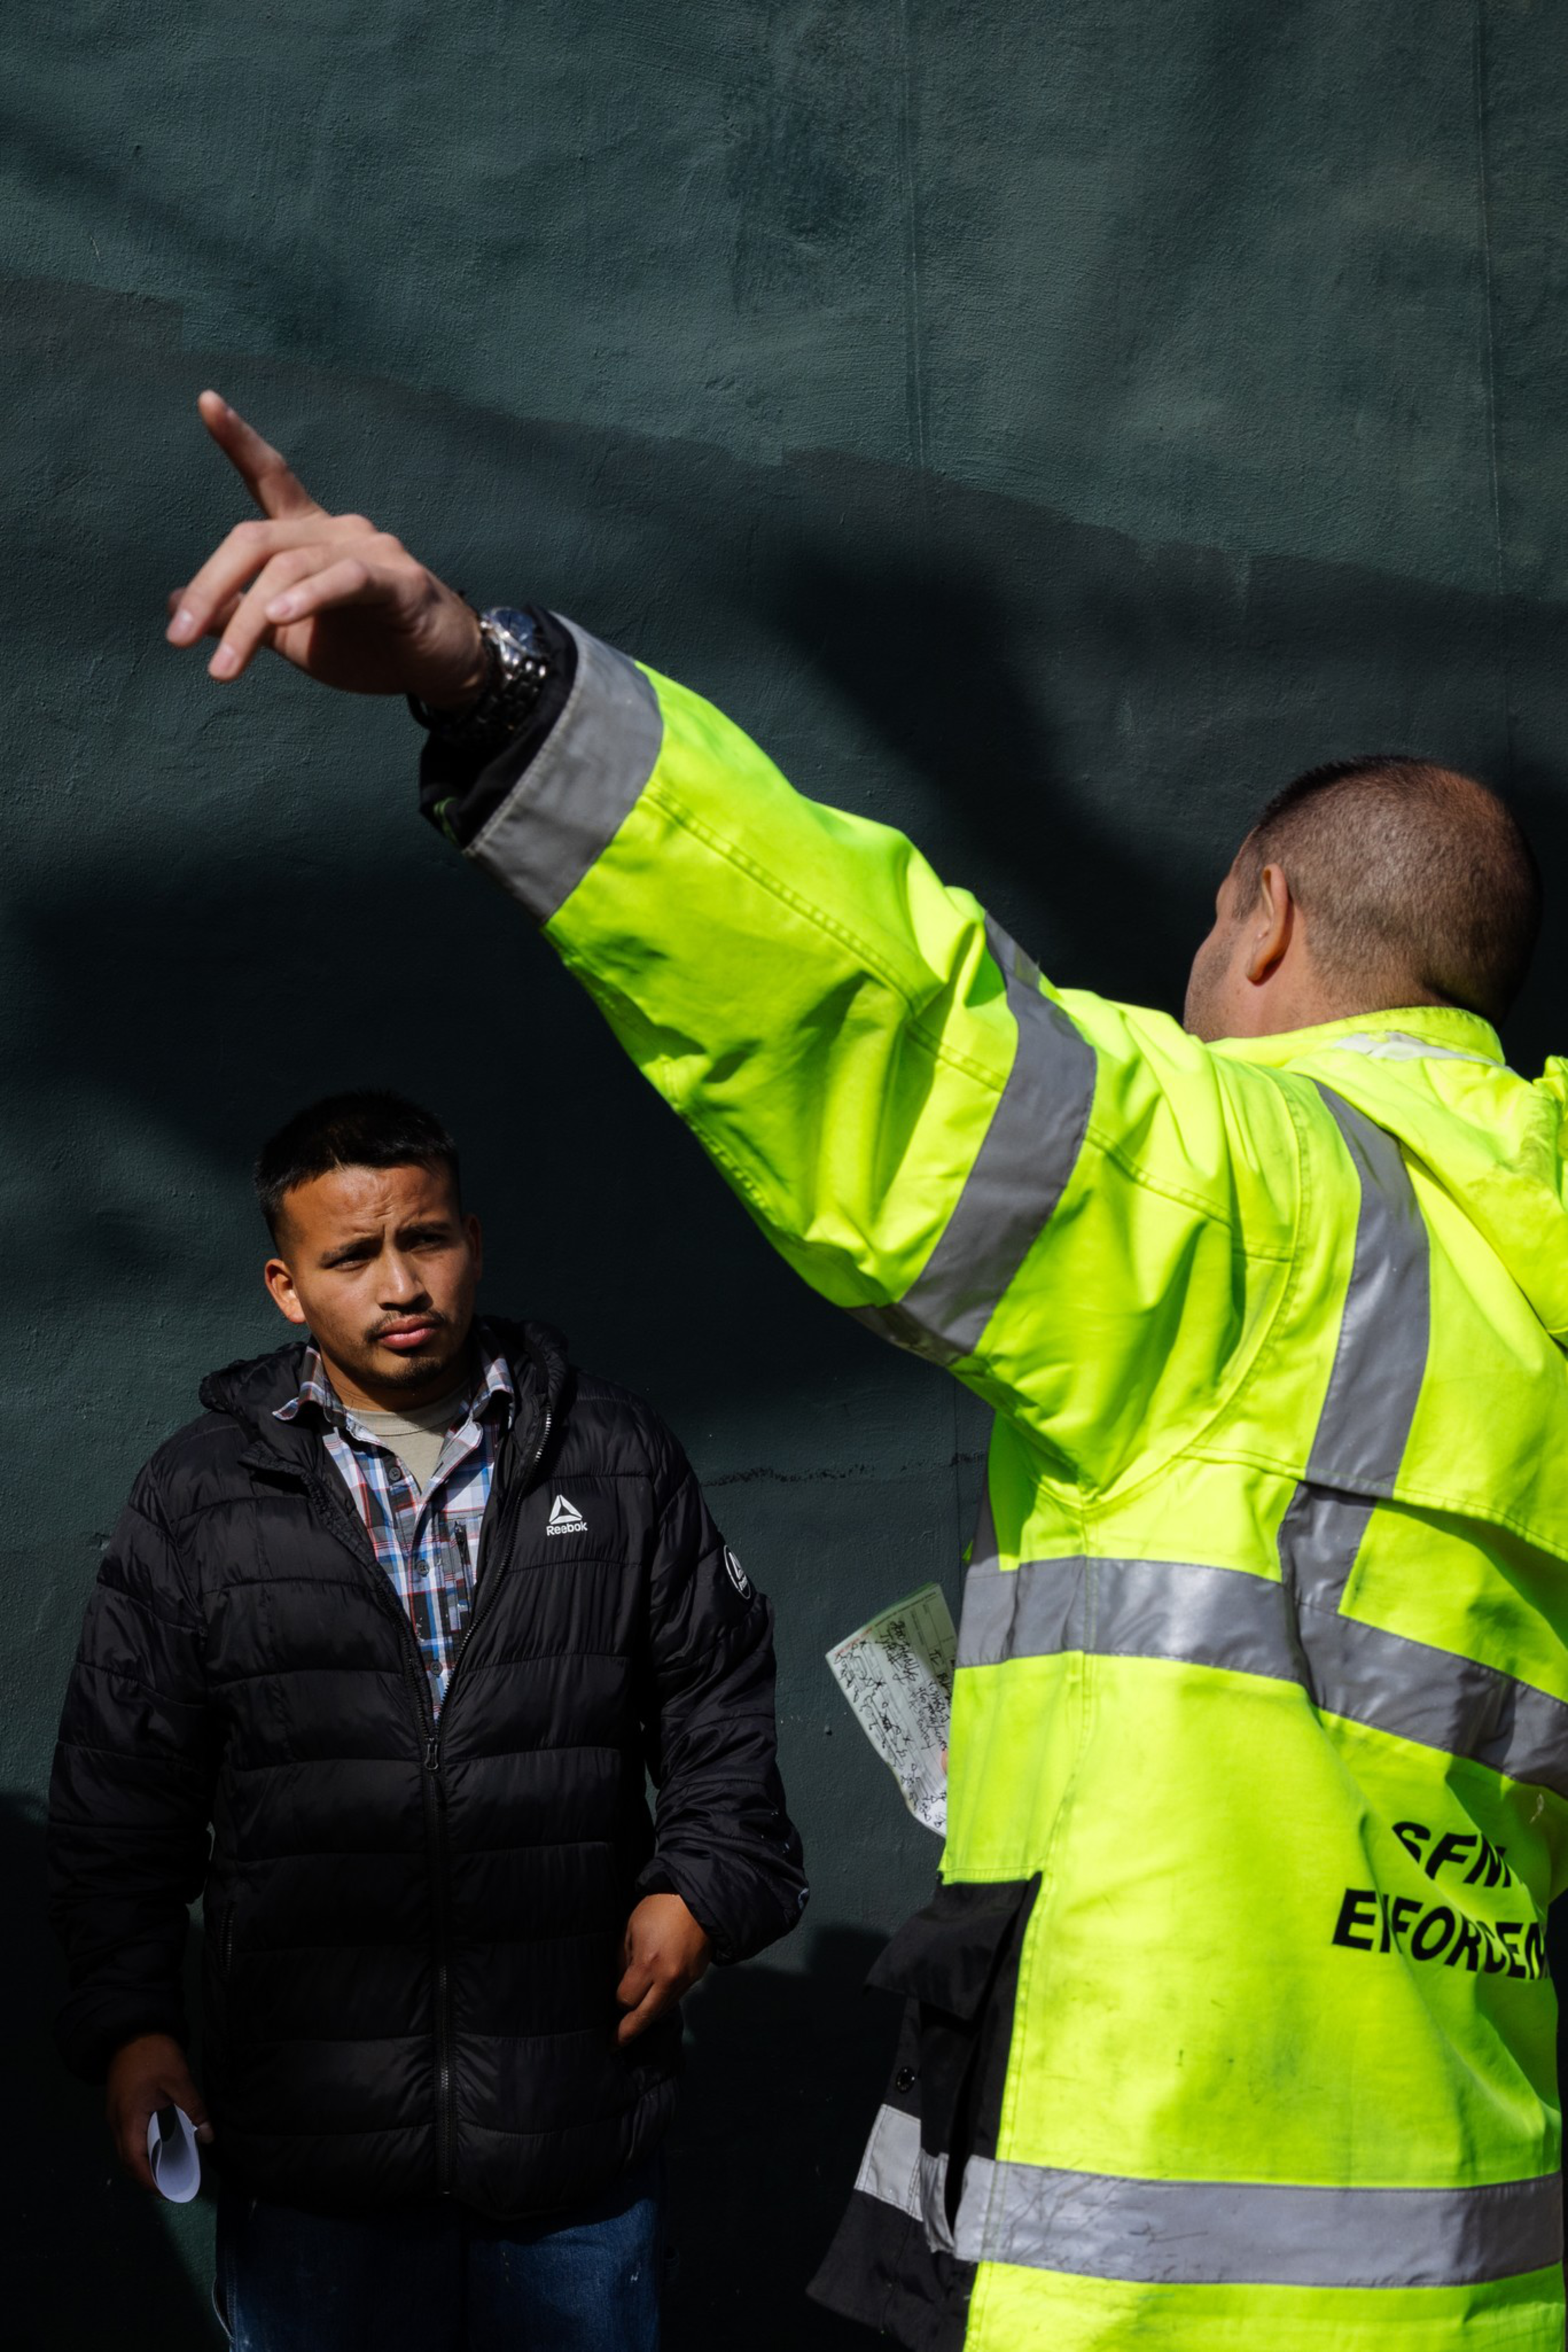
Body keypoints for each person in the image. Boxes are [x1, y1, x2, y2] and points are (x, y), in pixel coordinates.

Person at [156, 393, 1568, 2352]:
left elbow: (890, 1020)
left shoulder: (1277, 1196)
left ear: (1268, 919)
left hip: (1169, 2302)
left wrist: (491, 689)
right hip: (1483, 2274)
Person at [48, 1086, 806, 2352]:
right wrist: (134, 2028)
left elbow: (720, 1710)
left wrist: (704, 1890)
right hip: (313, 2166)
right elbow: (122, 1798)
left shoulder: (612, 1456)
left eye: (429, 1239)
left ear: (472, 1239)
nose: (401, 1282)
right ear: (288, 1287)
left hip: (571, 2142)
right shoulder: (199, 1499)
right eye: (353, 1256)